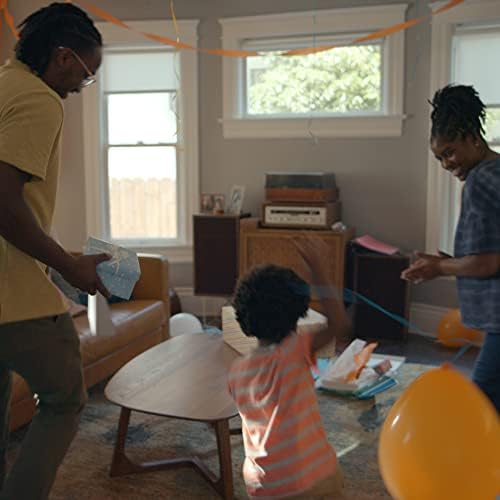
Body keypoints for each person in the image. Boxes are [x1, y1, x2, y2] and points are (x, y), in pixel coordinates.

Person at [0, 4, 109, 499]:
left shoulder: (4, 84)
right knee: (65, 398)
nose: (80, 87)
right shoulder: (39, 99)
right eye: (86, 74)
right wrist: (70, 266)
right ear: (63, 56)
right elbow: (4, 205)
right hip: (15, 298)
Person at [402, 84, 500, 412]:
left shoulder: (480, 182)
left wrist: (439, 267)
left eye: (450, 152)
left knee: (481, 407)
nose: (446, 164)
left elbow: (487, 263)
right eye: (439, 158)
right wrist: (450, 261)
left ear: (473, 138)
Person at [228, 237, 350, 499]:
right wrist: (319, 271)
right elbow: (339, 324)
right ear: (299, 313)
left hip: (264, 487)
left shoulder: (236, 370)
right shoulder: (294, 352)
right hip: (313, 480)